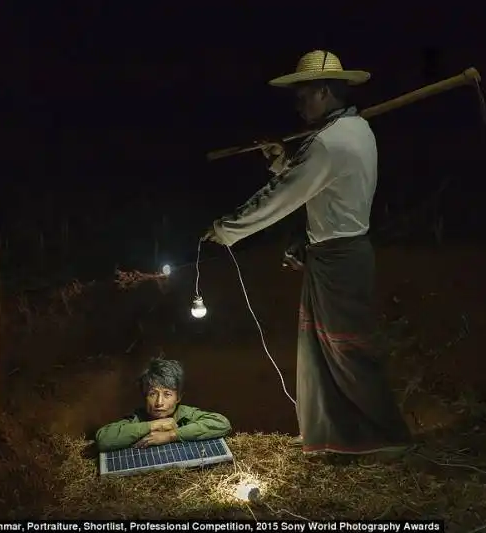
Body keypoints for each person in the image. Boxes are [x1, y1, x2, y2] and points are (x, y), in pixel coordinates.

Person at [202, 50, 412, 458]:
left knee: (347, 348)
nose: (297, 103)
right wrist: (284, 161)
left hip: (340, 258)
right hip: (336, 251)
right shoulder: (355, 130)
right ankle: (334, 435)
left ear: (323, 91)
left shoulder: (330, 143)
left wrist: (227, 228)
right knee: (320, 348)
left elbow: (285, 196)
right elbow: (322, 189)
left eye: (303, 95)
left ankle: (387, 435)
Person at [95, 358, 232, 452]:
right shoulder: (138, 417)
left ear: (178, 397)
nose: (159, 402)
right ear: (144, 395)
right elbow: (103, 439)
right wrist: (154, 425)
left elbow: (222, 424)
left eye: (167, 394)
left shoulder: (185, 413)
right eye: (153, 394)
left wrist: (171, 435)